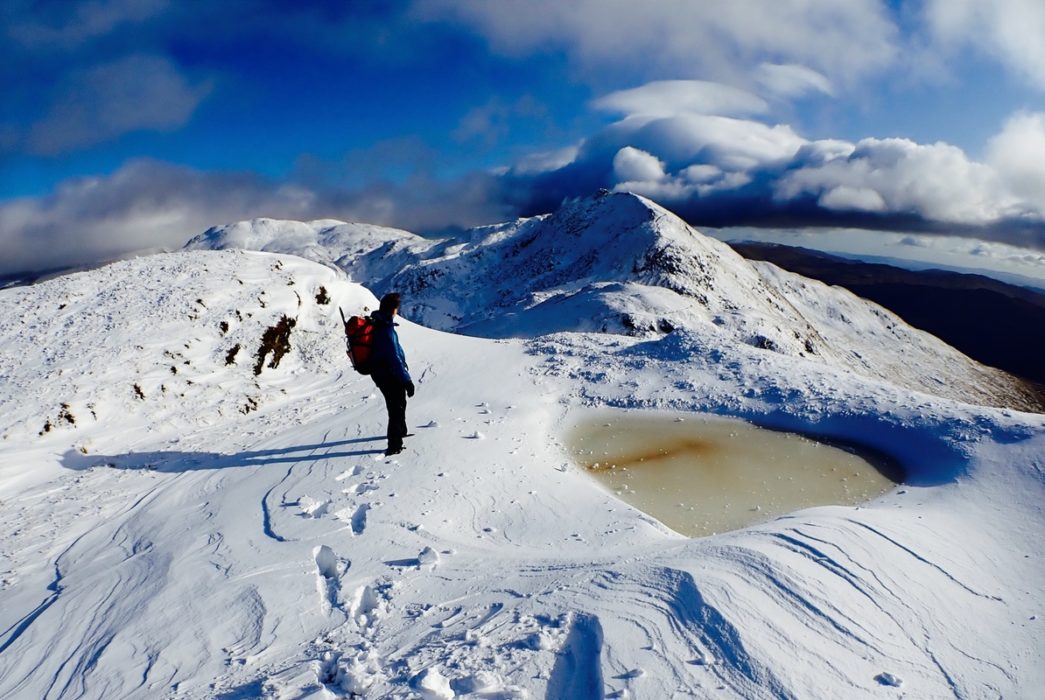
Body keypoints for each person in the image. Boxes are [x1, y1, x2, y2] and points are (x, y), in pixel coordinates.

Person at [369, 292, 414, 456]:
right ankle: (394, 445)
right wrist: (407, 381)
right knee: (395, 407)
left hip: (382, 372)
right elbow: (394, 358)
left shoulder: (380, 324)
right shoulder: (385, 330)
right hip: (388, 374)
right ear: (392, 310)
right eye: (396, 308)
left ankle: (401, 431)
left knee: (398, 403)